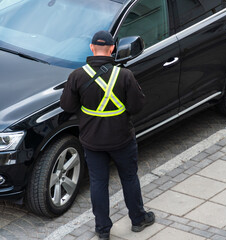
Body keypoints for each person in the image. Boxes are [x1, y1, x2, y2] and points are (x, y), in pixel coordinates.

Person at [60, 30, 154, 240]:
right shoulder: (125, 75)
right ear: (112, 49)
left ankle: (102, 230)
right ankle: (138, 220)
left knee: (98, 183)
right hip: (122, 138)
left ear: (92, 48)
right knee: (129, 178)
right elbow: (137, 105)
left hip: (92, 140)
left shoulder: (76, 76)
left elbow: (66, 106)